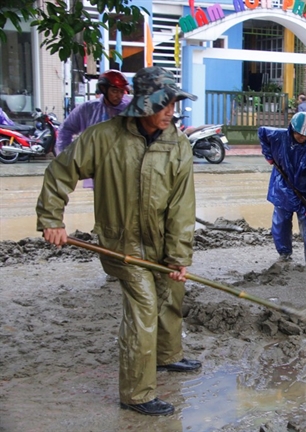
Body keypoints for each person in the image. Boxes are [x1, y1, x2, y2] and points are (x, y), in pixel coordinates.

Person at [36, 66, 200, 416]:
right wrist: (52, 219)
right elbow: (60, 171)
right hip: (120, 243)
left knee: (172, 290)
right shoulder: (103, 138)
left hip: (159, 241)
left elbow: (182, 205)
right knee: (143, 309)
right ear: (143, 105)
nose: (171, 111)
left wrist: (178, 255)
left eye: (174, 103)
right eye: (164, 104)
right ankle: (137, 393)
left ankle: (167, 356)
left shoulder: (178, 144)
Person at [259, 111, 306, 266]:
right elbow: (262, 132)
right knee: (281, 222)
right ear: (292, 129)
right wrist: (268, 155)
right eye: (298, 135)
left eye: (305, 136)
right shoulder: (278, 136)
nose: (301, 138)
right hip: (283, 186)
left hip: (303, 192)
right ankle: (284, 252)